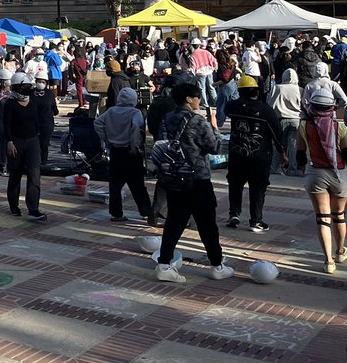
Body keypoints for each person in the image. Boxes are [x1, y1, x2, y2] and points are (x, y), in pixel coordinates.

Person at [154, 82, 235, 283]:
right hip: (197, 178)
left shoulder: (168, 118)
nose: (199, 100)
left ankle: (164, 263)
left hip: (173, 176)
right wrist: (214, 126)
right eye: (197, 96)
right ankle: (217, 264)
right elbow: (215, 146)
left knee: (174, 221)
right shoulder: (197, 121)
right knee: (207, 223)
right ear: (189, 99)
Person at [224, 75, 285, 232]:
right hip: (260, 156)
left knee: (235, 184)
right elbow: (276, 133)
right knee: (258, 188)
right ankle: (255, 220)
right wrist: (282, 152)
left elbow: (227, 110)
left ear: (240, 91)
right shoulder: (266, 111)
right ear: (257, 92)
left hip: (236, 154)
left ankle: (234, 214)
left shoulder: (233, 106)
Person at [297, 88, 347, 273]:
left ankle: (328, 262)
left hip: (315, 174)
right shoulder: (340, 127)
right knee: (339, 216)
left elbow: (300, 156)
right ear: (331, 107)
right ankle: (341, 251)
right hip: (339, 175)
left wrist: (307, 170)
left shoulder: (303, 126)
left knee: (322, 219)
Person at [95, 87, 154, 224]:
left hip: (115, 151)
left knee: (115, 185)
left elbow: (97, 123)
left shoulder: (111, 111)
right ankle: (146, 212)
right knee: (138, 185)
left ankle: (116, 213)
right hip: (130, 151)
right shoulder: (135, 113)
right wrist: (134, 146)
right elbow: (135, 129)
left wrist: (106, 139)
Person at [0, 72, 51, 221]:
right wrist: (9, 142)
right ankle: (14, 206)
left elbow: (38, 120)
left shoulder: (33, 100)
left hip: (32, 140)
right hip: (16, 142)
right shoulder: (9, 103)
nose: (30, 88)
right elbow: (6, 125)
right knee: (15, 174)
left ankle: (33, 209)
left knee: (35, 175)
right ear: (18, 87)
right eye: (27, 86)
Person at [269, 67, 303, 176]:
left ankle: (274, 168)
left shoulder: (276, 88)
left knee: (277, 144)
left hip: (279, 118)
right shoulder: (300, 89)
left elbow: (270, 104)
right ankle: (292, 169)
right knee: (293, 145)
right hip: (295, 119)